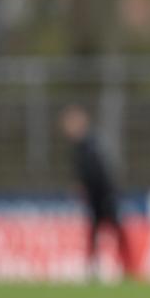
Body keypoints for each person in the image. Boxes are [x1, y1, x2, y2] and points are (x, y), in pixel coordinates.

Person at [59, 105, 133, 279]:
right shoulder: (81, 146)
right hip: (95, 196)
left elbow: (101, 171)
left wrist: (99, 189)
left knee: (113, 230)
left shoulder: (92, 144)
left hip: (104, 195)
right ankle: (95, 267)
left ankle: (127, 265)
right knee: (96, 232)